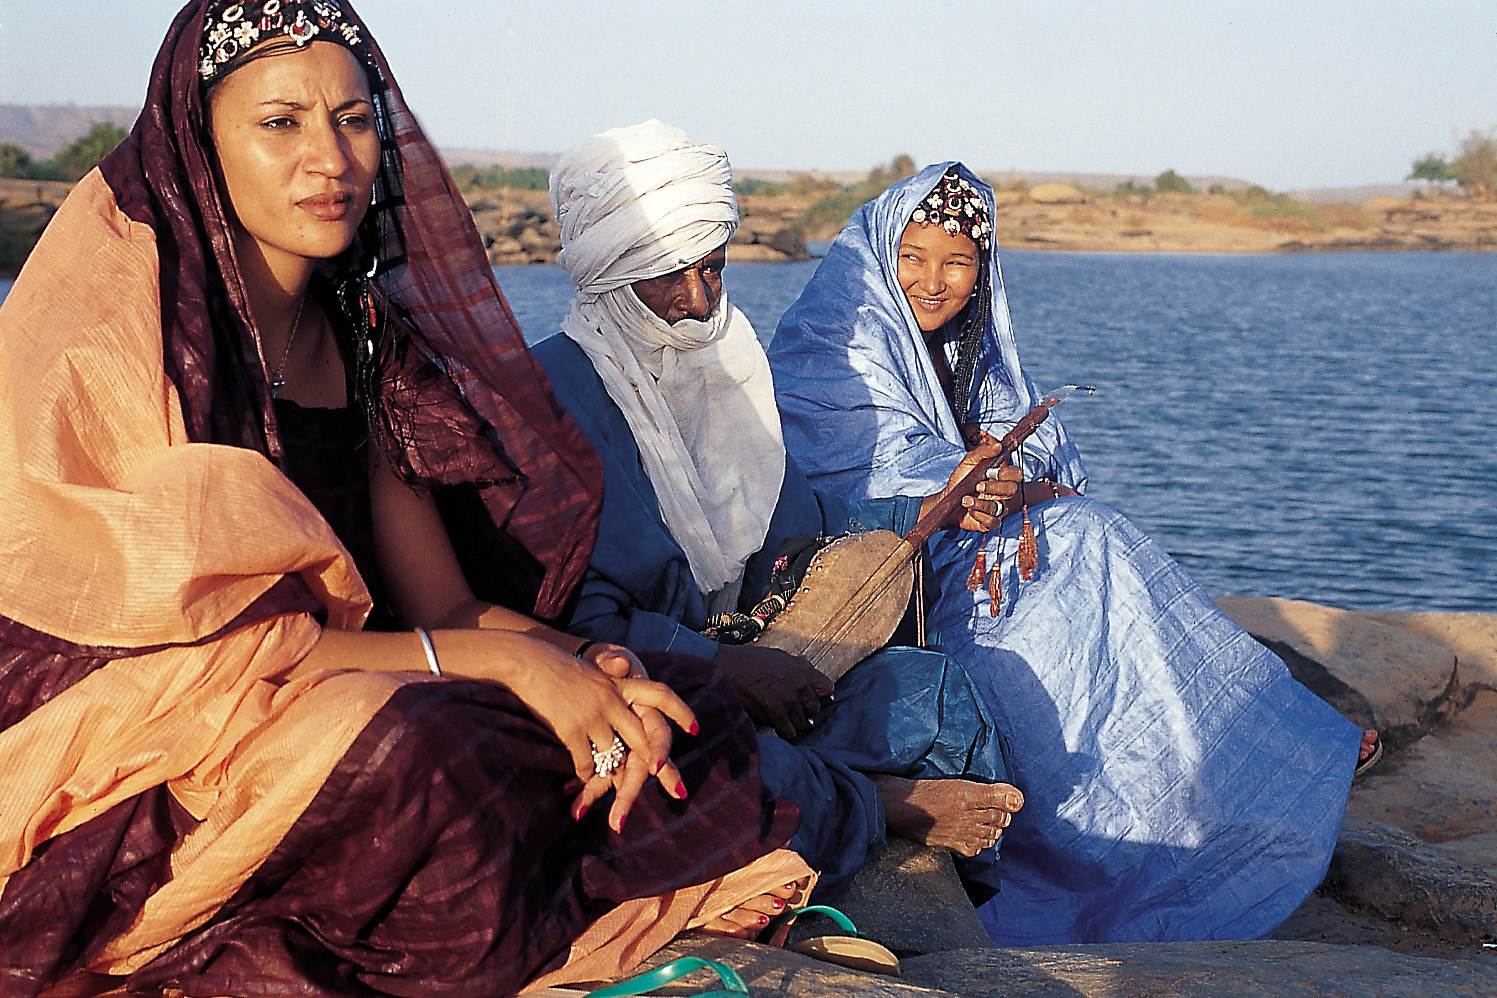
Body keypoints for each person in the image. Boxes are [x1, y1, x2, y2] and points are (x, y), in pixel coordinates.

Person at [0, 4, 811, 995]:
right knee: (415, 753)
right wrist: (511, 663)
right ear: (200, 138)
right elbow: (188, 659)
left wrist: (584, 664)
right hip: (147, 746)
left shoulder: (364, 341)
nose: (331, 157)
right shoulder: (141, 346)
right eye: (281, 122)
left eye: (352, 119)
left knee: (675, 710)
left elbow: (442, 608)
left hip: (352, 690)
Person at [767, 162, 1380, 944]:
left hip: (992, 545)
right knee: (1087, 560)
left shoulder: (972, 347)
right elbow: (850, 471)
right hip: (883, 569)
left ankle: (1266, 762)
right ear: (878, 256)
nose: (932, 281)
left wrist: (1010, 472)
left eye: (957, 262)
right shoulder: (829, 344)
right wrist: (970, 480)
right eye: (912, 258)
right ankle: (1136, 833)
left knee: (1103, 551)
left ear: (983, 271)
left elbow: (1048, 457)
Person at [531, 122, 1025, 901]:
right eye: (666, 278)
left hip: (759, 652)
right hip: (643, 678)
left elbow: (792, 517)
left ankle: (957, 917)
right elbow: (566, 616)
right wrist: (721, 667)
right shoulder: (551, 394)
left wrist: (924, 511)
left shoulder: (722, 363)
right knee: (711, 755)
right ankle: (881, 815)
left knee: (935, 694)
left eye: (714, 272)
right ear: (609, 273)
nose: (697, 303)